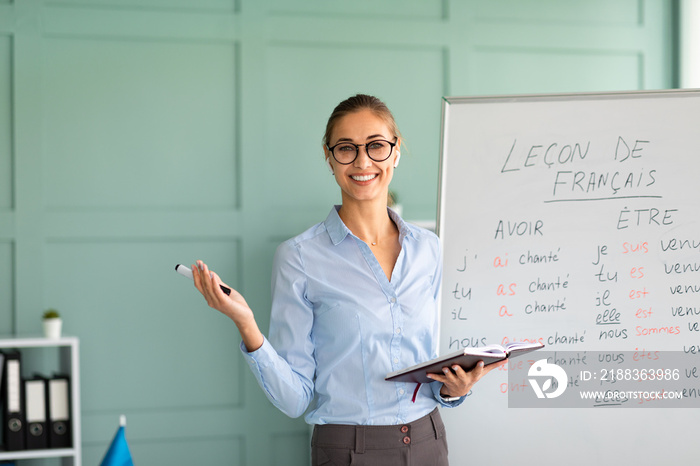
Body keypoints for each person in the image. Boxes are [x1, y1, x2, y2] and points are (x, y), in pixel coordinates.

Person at [192, 94, 503, 465]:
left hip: (428, 441)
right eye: (346, 149)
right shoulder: (299, 257)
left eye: (376, 146)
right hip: (347, 450)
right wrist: (246, 324)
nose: (362, 161)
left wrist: (454, 390)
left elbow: (429, 366)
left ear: (396, 151)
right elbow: (295, 399)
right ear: (329, 157)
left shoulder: (428, 249)